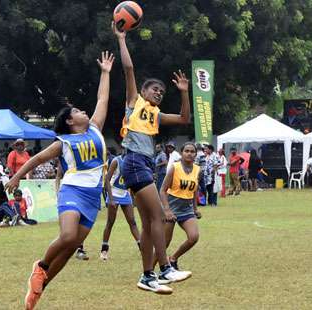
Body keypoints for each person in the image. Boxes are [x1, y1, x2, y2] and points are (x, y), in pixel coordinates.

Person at [5, 50, 114, 309]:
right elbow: (37, 159)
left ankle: (39, 289)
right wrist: (16, 177)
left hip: (92, 196)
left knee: (71, 245)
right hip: (72, 191)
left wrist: (105, 73)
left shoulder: (96, 130)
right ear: (69, 120)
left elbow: (102, 98)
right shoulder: (64, 142)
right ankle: (40, 267)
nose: (84, 111)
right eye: (77, 111)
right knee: (67, 237)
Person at [114, 22, 192, 294]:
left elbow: (184, 119)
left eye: (162, 91)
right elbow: (128, 70)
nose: (158, 92)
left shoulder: (157, 115)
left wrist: (183, 92)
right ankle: (165, 267)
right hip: (134, 160)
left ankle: (147, 276)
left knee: (149, 223)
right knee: (159, 215)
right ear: (143, 93)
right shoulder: (134, 101)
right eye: (154, 89)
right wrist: (121, 39)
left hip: (143, 163)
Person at [159, 142, 201, 273]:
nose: (189, 153)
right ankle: (149, 272)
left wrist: (195, 208)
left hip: (187, 209)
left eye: (192, 151)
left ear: (195, 154)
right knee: (164, 243)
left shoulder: (197, 169)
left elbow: (194, 191)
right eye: (186, 151)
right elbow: (162, 190)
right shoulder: (174, 168)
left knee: (193, 237)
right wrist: (166, 210)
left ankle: (173, 259)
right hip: (171, 208)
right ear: (182, 153)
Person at [100, 153, 141, 261]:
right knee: (110, 222)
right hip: (114, 193)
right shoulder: (116, 161)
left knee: (132, 222)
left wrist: (133, 197)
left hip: (124, 193)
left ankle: (142, 248)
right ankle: (104, 250)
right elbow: (107, 180)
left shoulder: (132, 161)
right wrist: (111, 199)